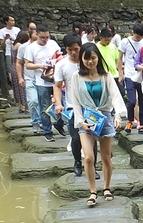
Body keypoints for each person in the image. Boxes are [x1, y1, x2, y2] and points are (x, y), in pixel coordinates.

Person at [67, 43, 127, 207]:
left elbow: (115, 96)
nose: (90, 61)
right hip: (86, 119)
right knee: (88, 157)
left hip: (104, 117)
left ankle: (107, 188)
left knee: (106, 157)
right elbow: (75, 102)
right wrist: (80, 121)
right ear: (82, 59)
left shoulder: (106, 76)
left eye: (93, 58)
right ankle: (93, 191)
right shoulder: (76, 77)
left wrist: (118, 115)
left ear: (98, 58)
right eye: (86, 58)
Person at [53, 33, 98, 179]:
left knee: (92, 137)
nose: (73, 52)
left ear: (81, 47)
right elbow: (58, 86)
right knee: (76, 138)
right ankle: (78, 162)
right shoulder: (61, 65)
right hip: (72, 107)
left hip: (91, 107)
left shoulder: (87, 61)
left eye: (76, 49)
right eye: (70, 49)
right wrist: (58, 103)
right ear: (66, 49)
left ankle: (92, 166)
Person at [24, 25, 65, 142]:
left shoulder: (53, 44)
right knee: (44, 107)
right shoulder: (31, 48)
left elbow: (60, 55)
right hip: (41, 81)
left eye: (47, 37)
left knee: (61, 103)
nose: (45, 40)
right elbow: (27, 65)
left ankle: (59, 123)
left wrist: (56, 61)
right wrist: (41, 65)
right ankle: (47, 131)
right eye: (42, 37)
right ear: (37, 35)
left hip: (56, 80)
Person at [118, 22, 143, 133]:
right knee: (131, 101)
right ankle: (130, 121)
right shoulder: (125, 42)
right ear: (133, 33)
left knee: (142, 100)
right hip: (130, 75)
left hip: (142, 75)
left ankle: (142, 124)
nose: (138, 38)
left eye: (140, 37)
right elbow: (120, 58)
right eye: (136, 36)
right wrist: (121, 73)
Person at [16, 29, 40, 132]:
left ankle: (43, 122)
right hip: (29, 78)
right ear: (30, 35)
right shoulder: (23, 47)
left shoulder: (46, 46)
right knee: (33, 100)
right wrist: (20, 77)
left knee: (43, 102)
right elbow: (19, 62)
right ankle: (35, 122)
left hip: (43, 78)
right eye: (35, 33)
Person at [10, 31, 29, 112]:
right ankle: (24, 105)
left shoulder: (14, 45)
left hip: (13, 67)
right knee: (22, 87)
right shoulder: (20, 46)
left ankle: (20, 105)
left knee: (17, 87)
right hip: (19, 67)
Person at [0, 15, 20, 83]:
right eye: (11, 20)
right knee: (10, 68)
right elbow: (1, 45)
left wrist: (12, 39)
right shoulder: (2, 31)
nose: (13, 22)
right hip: (8, 52)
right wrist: (5, 38)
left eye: (13, 20)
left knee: (18, 65)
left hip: (18, 51)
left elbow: (21, 40)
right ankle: (12, 82)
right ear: (6, 22)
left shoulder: (17, 29)